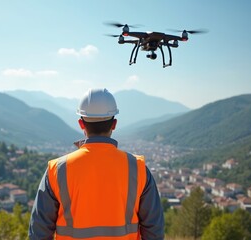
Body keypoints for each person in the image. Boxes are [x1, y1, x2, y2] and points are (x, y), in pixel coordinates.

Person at [29, 88, 164, 240]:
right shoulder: (138, 168)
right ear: (114, 124)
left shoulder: (57, 170)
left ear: (81, 124)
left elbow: (39, 231)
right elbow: (154, 230)